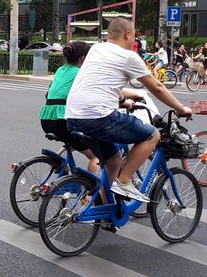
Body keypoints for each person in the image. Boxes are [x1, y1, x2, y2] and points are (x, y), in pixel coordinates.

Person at [65, 18, 192, 202]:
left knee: (114, 161)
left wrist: (122, 100)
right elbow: (156, 87)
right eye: (134, 36)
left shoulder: (96, 50)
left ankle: (102, 205)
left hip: (73, 117)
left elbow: (99, 82)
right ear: (128, 34)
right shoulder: (128, 57)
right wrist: (181, 108)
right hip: (99, 116)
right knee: (152, 135)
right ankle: (124, 181)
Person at [39, 42, 99, 173]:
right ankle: (92, 192)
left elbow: (49, 94)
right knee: (97, 155)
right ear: (83, 59)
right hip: (62, 120)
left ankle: (58, 160)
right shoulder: (81, 72)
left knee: (73, 140)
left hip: (46, 118)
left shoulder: (60, 70)